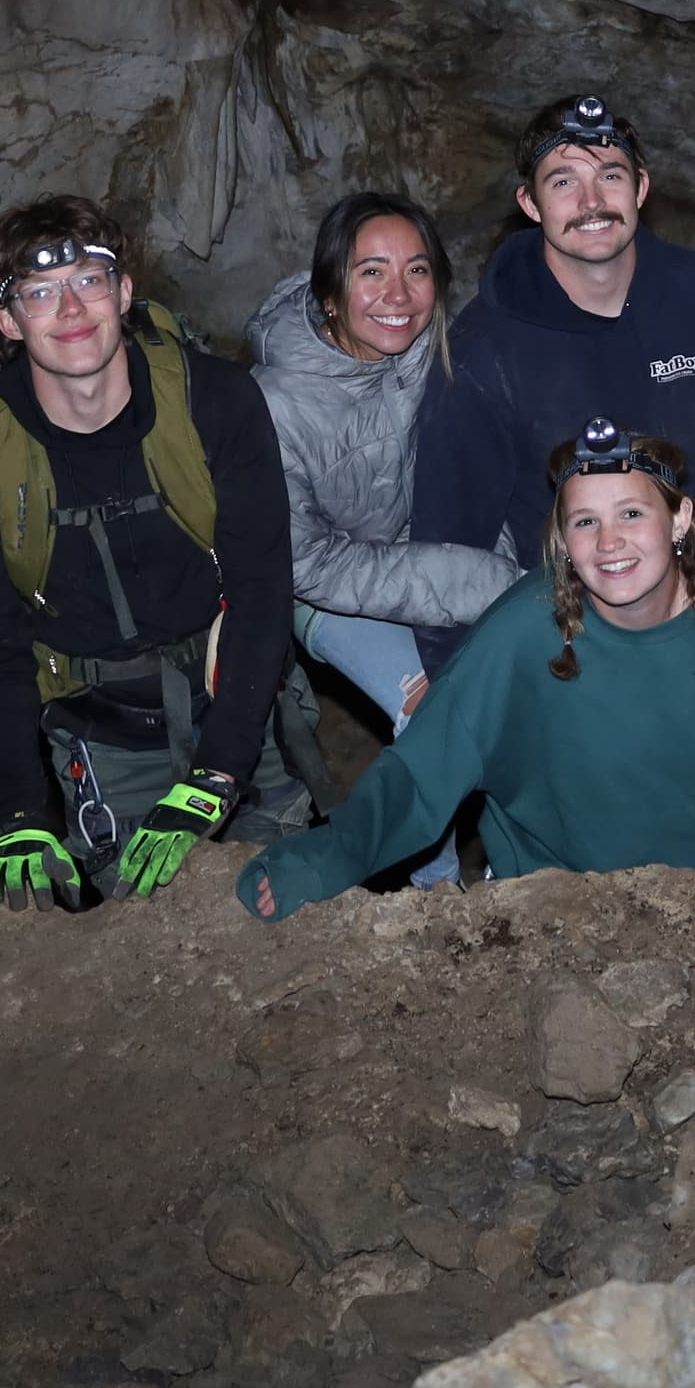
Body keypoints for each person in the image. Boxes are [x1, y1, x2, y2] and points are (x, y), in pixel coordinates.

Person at [240, 422, 695, 918]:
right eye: (585, 522)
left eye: (632, 513)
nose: (609, 542)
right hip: (564, 914)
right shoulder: (522, 630)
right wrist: (324, 861)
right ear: (562, 541)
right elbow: (422, 773)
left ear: (678, 519)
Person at [0, 194, 317, 909]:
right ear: (8, 323)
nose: (71, 310)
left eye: (89, 281)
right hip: (101, 729)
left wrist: (219, 772)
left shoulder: (217, 402)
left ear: (126, 294)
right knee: (146, 927)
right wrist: (17, 813)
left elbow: (263, 585)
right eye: (41, 293)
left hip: (236, 702)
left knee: (283, 906)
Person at [412, 93, 695, 619]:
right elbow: (452, 538)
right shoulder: (484, 350)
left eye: (610, 176)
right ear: (530, 204)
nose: (591, 201)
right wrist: (467, 685)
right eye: (563, 182)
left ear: (641, 188)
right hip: (570, 631)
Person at [249, 191, 521, 885]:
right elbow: (309, 561)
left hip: (435, 556)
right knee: (430, 699)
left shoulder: (439, 348)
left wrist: (512, 583)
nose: (398, 294)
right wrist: (482, 587)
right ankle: (428, 898)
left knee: (519, 678)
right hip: (323, 591)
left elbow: (487, 479)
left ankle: (520, 875)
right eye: (371, 272)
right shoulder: (275, 402)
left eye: (417, 270)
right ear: (331, 293)